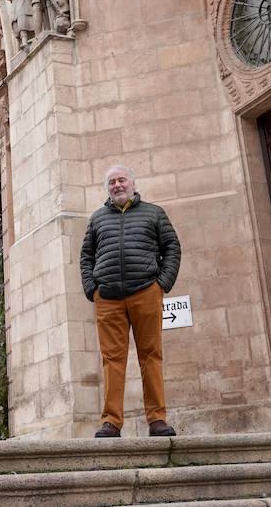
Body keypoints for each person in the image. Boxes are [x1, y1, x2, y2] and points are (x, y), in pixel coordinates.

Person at [80, 165, 181, 438]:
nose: (116, 185)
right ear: (107, 188)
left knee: (151, 356)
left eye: (121, 179)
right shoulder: (98, 219)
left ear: (132, 184)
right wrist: (93, 289)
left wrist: (162, 284)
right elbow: (86, 256)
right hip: (108, 298)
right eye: (111, 182)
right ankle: (111, 422)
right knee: (112, 360)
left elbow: (172, 247)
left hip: (146, 291)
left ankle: (157, 419)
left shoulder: (154, 213)